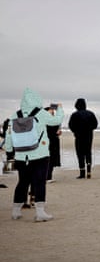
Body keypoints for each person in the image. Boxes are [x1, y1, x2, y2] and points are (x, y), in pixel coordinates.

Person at [4, 88, 64, 221]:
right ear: (37, 99)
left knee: (22, 182)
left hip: (20, 155)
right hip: (40, 154)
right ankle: (40, 212)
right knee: (39, 182)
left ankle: (16, 211)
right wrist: (59, 108)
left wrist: (9, 151)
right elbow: (56, 120)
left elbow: (9, 136)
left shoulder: (15, 115)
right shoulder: (40, 113)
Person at [68, 98, 98, 179]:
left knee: (80, 154)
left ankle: (82, 172)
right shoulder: (91, 113)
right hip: (88, 136)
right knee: (88, 153)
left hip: (79, 136)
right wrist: (89, 128)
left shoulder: (75, 114)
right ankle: (89, 171)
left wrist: (75, 131)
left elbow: (70, 125)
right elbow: (95, 125)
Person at [45, 105, 62, 182]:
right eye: (51, 111)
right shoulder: (46, 120)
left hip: (53, 141)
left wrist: (58, 132)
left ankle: (48, 177)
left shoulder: (52, 120)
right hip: (48, 141)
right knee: (48, 159)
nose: (52, 112)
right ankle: (47, 177)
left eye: (53, 111)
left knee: (51, 159)